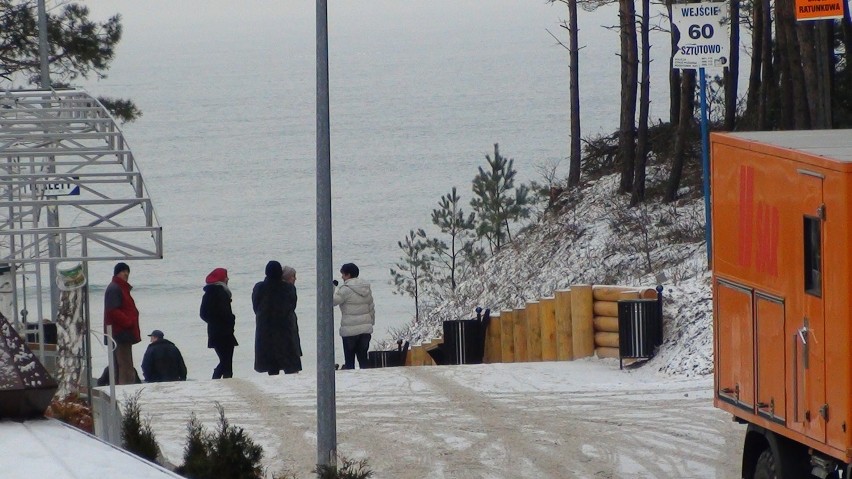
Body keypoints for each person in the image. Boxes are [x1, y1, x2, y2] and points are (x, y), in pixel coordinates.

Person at [252, 261, 302, 375]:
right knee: (289, 361)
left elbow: (256, 307)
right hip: (284, 328)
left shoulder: (259, 287)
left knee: (271, 363)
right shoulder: (288, 288)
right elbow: (292, 306)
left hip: (265, 328)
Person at [103, 262, 141, 385]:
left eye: (127, 271)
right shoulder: (115, 288)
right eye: (123, 271)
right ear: (117, 273)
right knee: (125, 364)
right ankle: (126, 390)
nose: (126, 274)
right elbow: (112, 310)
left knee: (121, 364)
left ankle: (121, 388)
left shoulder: (120, 288)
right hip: (120, 332)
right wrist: (128, 322)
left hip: (120, 332)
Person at [333, 263, 375, 370]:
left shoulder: (345, 289)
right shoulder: (366, 288)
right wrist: (371, 323)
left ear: (348, 275)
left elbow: (333, 301)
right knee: (363, 359)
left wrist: (332, 288)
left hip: (349, 331)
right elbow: (371, 307)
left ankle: (351, 384)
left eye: (343, 274)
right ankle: (366, 381)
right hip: (365, 330)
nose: (342, 277)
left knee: (349, 361)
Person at [200, 267, 238, 379]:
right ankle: (218, 379)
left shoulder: (208, 293)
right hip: (224, 332)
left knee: (225, 360)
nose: (228, 279)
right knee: (226, 361)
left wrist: (213, 322)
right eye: (226, 276)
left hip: (214, 332)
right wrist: (230, 320)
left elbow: (203, 314)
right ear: (222, 279)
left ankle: (224, 380)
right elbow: (225, 313)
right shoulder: (221, 292)